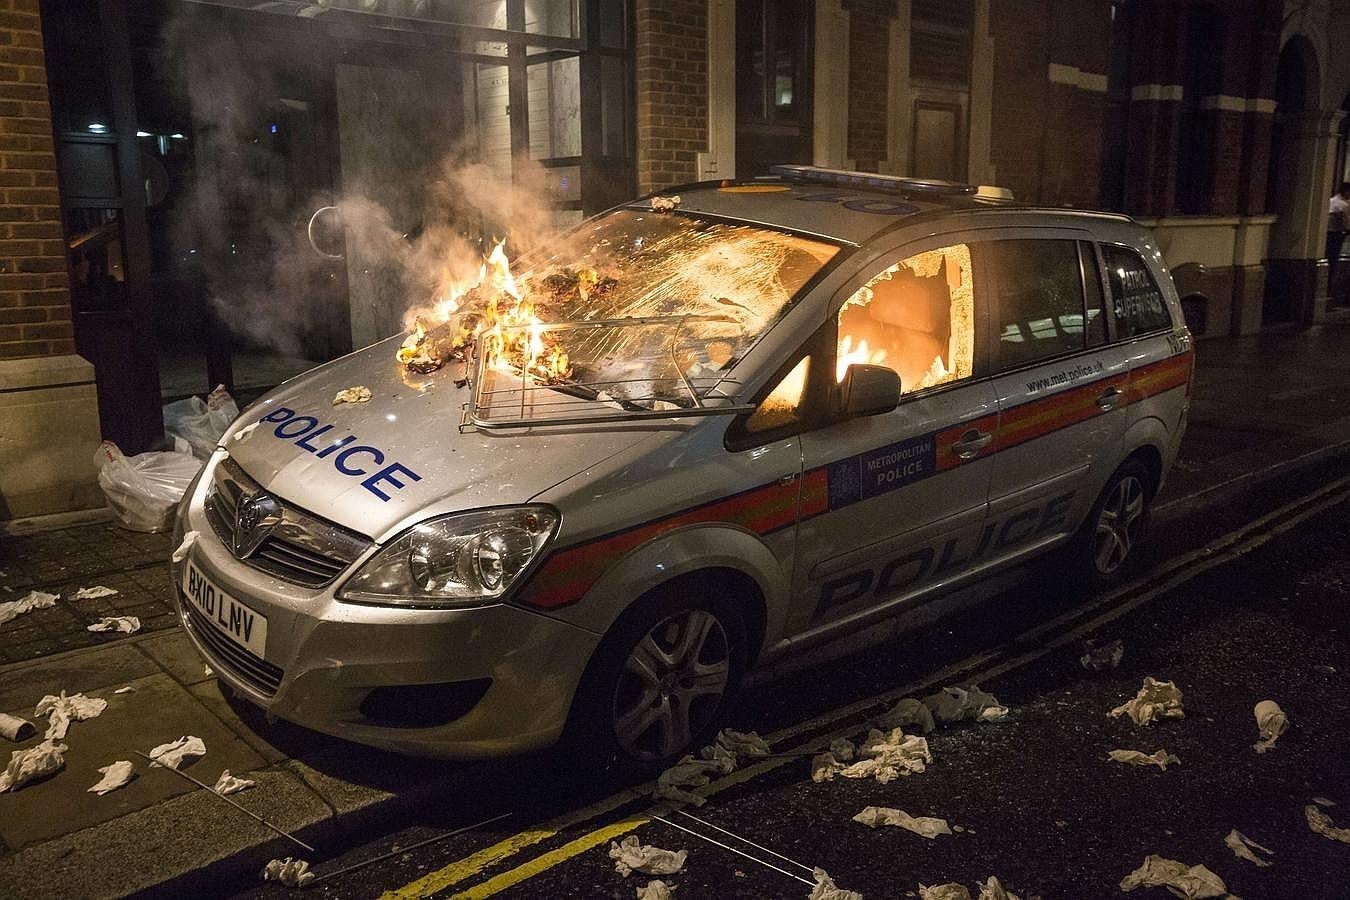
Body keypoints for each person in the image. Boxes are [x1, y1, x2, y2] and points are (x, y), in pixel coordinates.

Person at [1326, 182, 1350, 296]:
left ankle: (1328, 285)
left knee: (1328, 257)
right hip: (1336, 234)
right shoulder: (1343, 205)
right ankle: (1329, 287)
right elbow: (1346, 223)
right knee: (1333, 259)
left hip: (1327, 233)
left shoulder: (1331, 201)